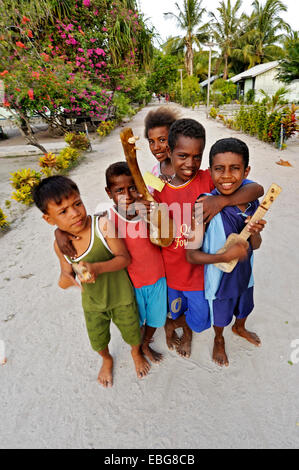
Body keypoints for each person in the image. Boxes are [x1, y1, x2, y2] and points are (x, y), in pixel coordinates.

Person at [153, 119, 264, 359]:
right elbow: (151, 219)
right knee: (174, 310)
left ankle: (191, 332)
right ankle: (173, 325)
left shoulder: (207, 180)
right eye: (182, 155)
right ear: (169, 153)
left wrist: (222, 201)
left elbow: (257, 189)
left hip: (201, 276)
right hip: (173, 269)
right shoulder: (158, 189)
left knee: (201, 317)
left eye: (197, 156)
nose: (190, 163)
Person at [33, 175, 150, 388]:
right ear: (49, 220)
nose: (75, 213)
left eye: (77, 203)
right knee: (97, 340)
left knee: (132, 333)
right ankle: (107, 359)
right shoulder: (61, 245)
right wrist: (66, 279)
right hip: (93, 304)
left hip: (121, 297)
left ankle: (135, 353)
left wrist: (96, 268)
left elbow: (124, 259)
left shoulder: (103, 226)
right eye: (63, 211)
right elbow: (65, 274)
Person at [186, 137, 266, 366]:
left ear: (246, 170)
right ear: (210, 171)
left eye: (235, 169)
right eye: (219, 169)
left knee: (245, 305)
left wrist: (255, 232)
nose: (227, 176)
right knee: (220, 316)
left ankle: (240, 328)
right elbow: (191, 255)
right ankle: (219, 339)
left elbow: (256, 244)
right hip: (220, 278)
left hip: (245, 272)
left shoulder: (252, 200)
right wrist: (224, 257)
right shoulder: (204, 207)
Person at [104, 162, 168, 363]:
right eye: (119, 190)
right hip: (132, 285)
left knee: (156, 318)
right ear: (109, 193)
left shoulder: (147, 210)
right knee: (135, 321)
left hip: (158, 279)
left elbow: (166, 234)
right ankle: (137, 348)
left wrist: (152, 213)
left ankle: (146, 342)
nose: (128, 195)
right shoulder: (108, 219)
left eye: (132, 188)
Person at [144, 106, 180, 187]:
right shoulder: (154, 172)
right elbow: (151, 198)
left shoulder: (186, 168)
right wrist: (159, 184)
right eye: (151, 141)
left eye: (162, 140)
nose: (156, 147)